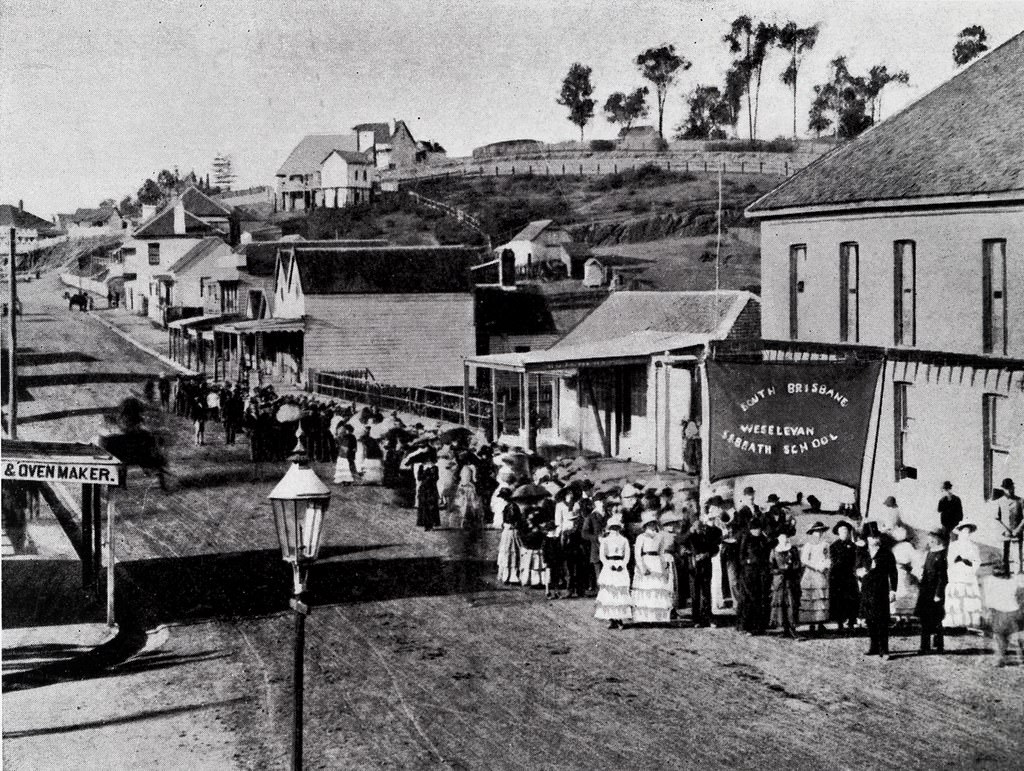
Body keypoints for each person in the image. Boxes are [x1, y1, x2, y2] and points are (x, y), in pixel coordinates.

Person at [857, 528, 898, 659]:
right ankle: (874, 647)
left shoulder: (886, 553)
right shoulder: (862, 552)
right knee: (870, 620)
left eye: (877, 537)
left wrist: (893, 590)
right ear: (867, 539)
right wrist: (860, 573)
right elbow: (856, 568)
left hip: (881, 590)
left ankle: (884, 649)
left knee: (882, 620)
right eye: (872, 537)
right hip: (867, 590)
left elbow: (893, 572)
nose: (875, 539)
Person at [631, 512, 676, 624]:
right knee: (647, 588)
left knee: (657, 589)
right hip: (646, 560)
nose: (652, 525)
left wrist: (664, 566)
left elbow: (661, 553)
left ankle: (657, 617)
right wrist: (642, 567)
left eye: (653, 523)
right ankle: (645, 617)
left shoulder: (660, 537)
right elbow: (637, 554)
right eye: (649, 523)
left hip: (656, 562)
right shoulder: (641, 537)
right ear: (645, 525)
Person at [682, 507, 721, 627]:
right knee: (695, 594)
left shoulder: (709, 532)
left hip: (705, 565)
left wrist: (705, 554)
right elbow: (680, 541)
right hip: (693, 567)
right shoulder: (689, 534)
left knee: (706, 593)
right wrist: (690, 532)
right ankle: (696, 619)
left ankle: (708, 617)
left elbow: (715, 547)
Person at [980, 565, 1024, 667]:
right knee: (1015, 635)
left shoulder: (989, 581)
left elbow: (988, 603)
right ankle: (1020, 658)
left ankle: (999, 658)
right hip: (1015, 614)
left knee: (1000, 636)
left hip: (1000, 615)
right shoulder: (1015, 581)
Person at [595, 514, 633, 629]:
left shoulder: (624, 540)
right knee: (609, 592)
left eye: (616, 527)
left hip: (620, 565)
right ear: (609, 528)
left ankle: (619, 618)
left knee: (620, 592)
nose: (614, 530)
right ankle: (611, 619)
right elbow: (602, 556)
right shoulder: (605, 540)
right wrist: (608, 564)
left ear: (619, 528)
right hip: (609, 566)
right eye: (612, 527)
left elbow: (627, 555)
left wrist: (623, 564)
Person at [916, 528, 949, 655]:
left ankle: (939, 645)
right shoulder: (930, 553)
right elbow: (925, 571)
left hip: (935, 592)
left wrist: (938, 594)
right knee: (924, 619)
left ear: (937, 539)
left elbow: (942, 577)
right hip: (925, 591)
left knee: (936, 619)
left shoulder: (942, 555)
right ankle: (924, 647)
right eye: (929, 538)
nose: (929, 540)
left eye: (932, 538)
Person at [945, 522, 984, 629]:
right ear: (960, 532)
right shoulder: (953, 545)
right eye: (964, 531)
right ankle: (954, 622)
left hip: (968, 572)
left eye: (968, 531)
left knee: (968, 595)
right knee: (956, 595)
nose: (966, 533)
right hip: (956, 572)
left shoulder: (973, 547)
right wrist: (956, 562)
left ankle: (967, 622)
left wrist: (971, 566)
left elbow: (977, 561)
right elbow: (949, 560)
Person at [738, 517, 772, 635]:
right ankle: (746, 626)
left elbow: (767, 553)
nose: (757, 531)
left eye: (759, 528)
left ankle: (759, 627)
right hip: (748, 573)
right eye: (755, 529)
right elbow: (741, 558)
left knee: (760, 598)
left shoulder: (763, 539)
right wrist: (748, 561)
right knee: (749, 599)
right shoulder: (746, 538)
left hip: (761, 572)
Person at [799, 522, 831, 633]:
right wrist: (816, 566)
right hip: (811, 573)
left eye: (821, 531)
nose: (819, 534)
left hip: (821, 573)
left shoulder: (825, 545)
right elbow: (804, 560)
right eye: (817, 531)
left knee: (821, 597)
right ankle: (811, 623)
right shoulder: (808, 545)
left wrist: (826, 564)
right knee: (812, 596)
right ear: (812, 533)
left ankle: (820, 622)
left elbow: (828, 557)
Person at [769, 531, 802, 638]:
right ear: (778, 538)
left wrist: (791, 570)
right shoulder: (774, 551)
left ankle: (792, 628)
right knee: (781, 604)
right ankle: (784, 629)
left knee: (791, 603)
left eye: (785, 537)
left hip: (790, 581)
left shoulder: (793, 550)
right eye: (781, 537)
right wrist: (779, 571)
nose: (784, 539)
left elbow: (797, 564)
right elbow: (771, 567)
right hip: (779, 581)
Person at [829, 521, 860, 632]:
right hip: (837, 576)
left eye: (846, 531)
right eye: (842, 531)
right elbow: (833, 561)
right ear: (838, 533)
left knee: (851, 599)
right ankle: (840, 623)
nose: (844, 533)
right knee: (839, 599)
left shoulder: (853, 546)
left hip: (850, 576)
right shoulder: (834, 546)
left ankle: (851, 622)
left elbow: (856, 560)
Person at [996, 477, 1024, 574]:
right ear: (1003, 489)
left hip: (1017, 532)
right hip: (1005, 533)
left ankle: (1018, 575)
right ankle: (1005, 573)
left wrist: (1018, 529)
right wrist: (1004, 530)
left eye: (1010, 488)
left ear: (1013, 487)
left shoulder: (1020, 501)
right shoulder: (1000, 501)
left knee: (1017, 556)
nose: (1008, 491)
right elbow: (997, 518)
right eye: (1006, 489)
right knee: (1004, 555)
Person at [495, 489, 522, 584]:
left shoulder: (512, 507)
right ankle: (508, 575)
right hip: (508, 531)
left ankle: (511, 576)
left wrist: (508, 525)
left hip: (511, 531)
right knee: (508, 551)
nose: (503, 499)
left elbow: (515, 520)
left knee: (511, 550)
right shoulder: (509, 506)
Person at [453, 457, 483, 529]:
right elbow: (474, 479)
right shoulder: (470, 468)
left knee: (464, 505)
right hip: (467, 487)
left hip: (464, 487)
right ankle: (466, 521)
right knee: (468, 505)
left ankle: (464, 521)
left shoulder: (463, 468)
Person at [415, 453, 441, 531]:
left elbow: (436, 478)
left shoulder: (435, 467)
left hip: (432, 488)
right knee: (424, 506)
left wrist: (429, 474)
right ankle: (426, 524)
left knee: (432, 506)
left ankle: (431, 524)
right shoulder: (421, 467)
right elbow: (419, 478)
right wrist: (426, 472)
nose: (428, 461)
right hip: (423, 488)